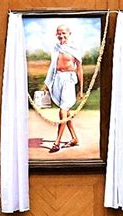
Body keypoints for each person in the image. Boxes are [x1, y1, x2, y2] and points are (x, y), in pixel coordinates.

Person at [44, 24, 84, 153]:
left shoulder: (74, 48)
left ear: (69, 33)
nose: (61, 36)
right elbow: (52, 66)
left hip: (69, 80)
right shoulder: (56, 47)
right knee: (65, 112)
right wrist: (47, 83)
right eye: (58, 33)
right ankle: (74, 138)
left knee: (62, 111)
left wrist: (81, 89)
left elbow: (79, 69)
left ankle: (57, 143)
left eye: (63, 33)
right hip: (58, 79)